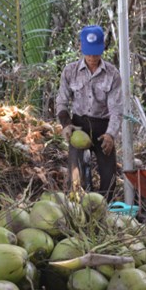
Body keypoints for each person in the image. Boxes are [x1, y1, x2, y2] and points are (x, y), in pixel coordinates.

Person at [55, 25, 123, 202]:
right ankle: (77, 210)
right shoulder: (70, 72)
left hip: (103, 127)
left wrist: (110, 134)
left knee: (109, 178)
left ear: (102, 49)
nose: (92, 58)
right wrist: (66, 124)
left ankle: (103, 210)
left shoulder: (112, 74)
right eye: (89, 53)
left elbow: (116, 109)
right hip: (79, 125)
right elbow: (62, 101)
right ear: (81, 48)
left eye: (96, 53)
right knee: (75, 178)